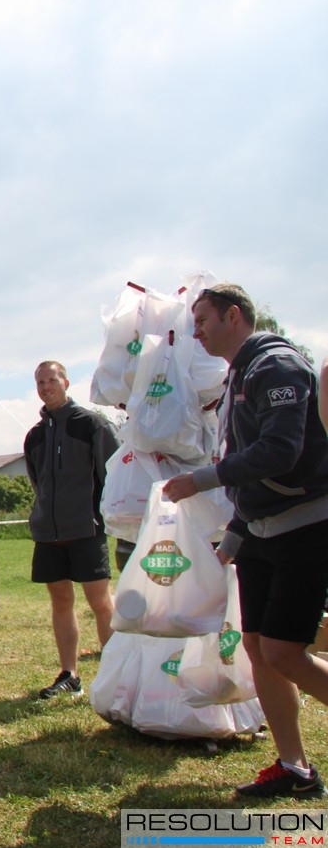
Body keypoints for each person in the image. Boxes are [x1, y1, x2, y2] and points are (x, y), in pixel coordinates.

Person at [163, 283, 328, 800]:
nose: (196, 332)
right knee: (257, 649)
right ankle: (295, 768)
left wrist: (201, 479)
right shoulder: (239, 374)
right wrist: (234, 536)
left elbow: (280, 452)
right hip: (260, 530)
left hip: (304, 527)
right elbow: (253, 473)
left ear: (233, 316)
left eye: (203, 321)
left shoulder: (276, 366)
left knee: (284, 652)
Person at [25, 360, 119, 699]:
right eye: (40, 382)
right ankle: (70, 675)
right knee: (61, 600)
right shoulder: (35, 436)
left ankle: (116, 676)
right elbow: (38, 482)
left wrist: (102, 516)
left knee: (100, 601)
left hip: (87, 529)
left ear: (66, 382)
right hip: (49, 533)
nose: (46, 387)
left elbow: (113, 475)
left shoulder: (92, 424)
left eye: (52, 380)